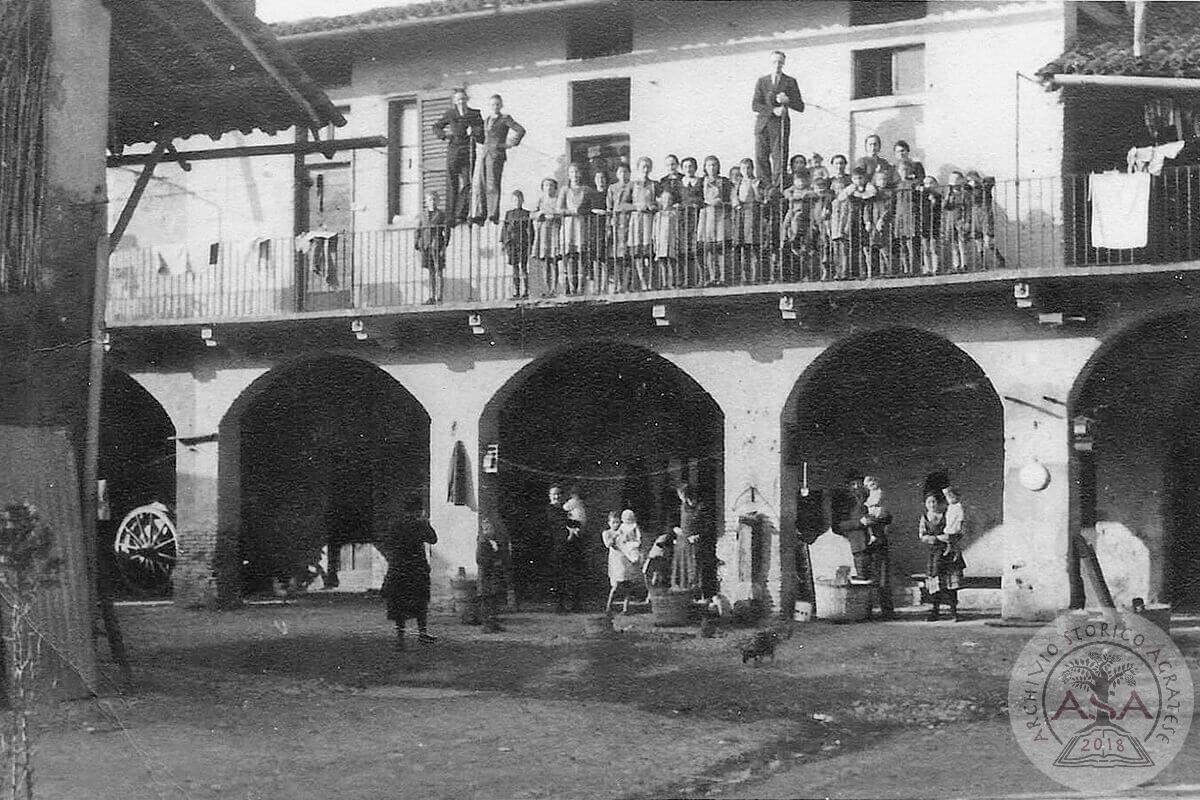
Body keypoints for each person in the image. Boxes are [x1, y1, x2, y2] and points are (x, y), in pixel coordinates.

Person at [380, 501, 438, 650]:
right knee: (420, 601)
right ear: (418, 511)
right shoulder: (420, 524)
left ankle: (401, 639)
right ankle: (422, 633)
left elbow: (388, 543)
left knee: (399, 603)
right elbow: (433, 539)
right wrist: (426, 523)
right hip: (416, 568)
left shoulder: (396, 524)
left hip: (399, 568)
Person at [751, 50, 806, 189]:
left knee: (779, 159)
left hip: (779, 126)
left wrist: (788, 100)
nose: (777, 65)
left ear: (784, 63)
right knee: (761, 158)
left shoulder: (790, 81)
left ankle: (776, 189)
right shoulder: (762, 81)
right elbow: (755, 105)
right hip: (763, 125)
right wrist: (773, 110)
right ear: (770, 63)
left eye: (780, 62)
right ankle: (765, 189)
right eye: (775, 62)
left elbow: (800, 106)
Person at [432, 88, 484, 225]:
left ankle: (461, 213)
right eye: (458, 100)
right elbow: (436, 127)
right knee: (452, 183)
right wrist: (444, 135)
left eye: (463, 99)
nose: (461, 102)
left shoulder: (475, 114)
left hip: (468, 150)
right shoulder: (450, 114)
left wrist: (475, 131)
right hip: (454, 150)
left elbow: (482, 133)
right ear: (455, 101)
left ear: (467, 99)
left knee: (468, 183)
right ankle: (450, 217)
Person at [475, 94, 526, 225]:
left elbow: (520, 130)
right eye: (492, 104)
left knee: (492, 183)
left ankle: (493, 213)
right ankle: (482, 213)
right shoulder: (487, 120)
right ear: (489, 106)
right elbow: (484, 138)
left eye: (497, 104)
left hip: (496, 154)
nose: (495, 107)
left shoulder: (505, 119)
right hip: (485, 154)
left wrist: (508, 144)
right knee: (481, 184)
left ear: (501, 105)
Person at [918, 492, 963, 621]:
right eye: (929, 502)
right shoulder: (925, 518)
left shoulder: (947, 515)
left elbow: (957, 532)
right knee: (935, 583)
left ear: (939, 503)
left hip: (948, 553)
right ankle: (935, 611)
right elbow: (922, 535)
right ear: (925, 504)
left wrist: (949, 539)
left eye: (934, 502)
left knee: (950, 583)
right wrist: (936, 538)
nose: (932, 505)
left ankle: (953, 611)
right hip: (934, 553)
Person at [558, 163, 594, 295]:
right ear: (569, 174)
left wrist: (582, 211)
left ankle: (581, 286)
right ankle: (570, 286)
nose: (575, 175)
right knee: (570, 255)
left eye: (577, 172)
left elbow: (591, 207)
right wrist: (571, 211)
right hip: (569, 224)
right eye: (572, 172)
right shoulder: (565, 190)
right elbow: (559, 208)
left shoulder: (586, 190)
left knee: (581, 255)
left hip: (581, 224)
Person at [546, 484, 583, 612]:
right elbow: (559, 523)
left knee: (571, 575)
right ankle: (559, 604)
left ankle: (573, 604)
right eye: (554, 494)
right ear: (550, 496)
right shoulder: (550, 509)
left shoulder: (563, 510)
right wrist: (571, 528)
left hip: (568, 547)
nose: (556, 496)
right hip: (556, 546)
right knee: (558, 576)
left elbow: (572, 522)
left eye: (558, 494)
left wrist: (576, 525)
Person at [698, 155, 732, 286]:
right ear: (705, 167)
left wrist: (723, 202)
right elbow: (695, 197)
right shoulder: (701, 181)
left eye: (714, 165)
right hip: (706, 215)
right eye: (709, 165)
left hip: (720, 214)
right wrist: (704, 202)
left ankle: (723, 277)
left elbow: (731, 197)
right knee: (709, 248)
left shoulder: (724, 181)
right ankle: (712, 277)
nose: (712, 168)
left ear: (718, 167)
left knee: (721, 247)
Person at [627, 156, 659, 292]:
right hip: (636, 220)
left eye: (647, 167)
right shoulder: (632, 185)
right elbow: (622, 204)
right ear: (638, 168)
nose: (645, 170)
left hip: (649, 220)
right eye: (643, 167)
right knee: (638, 252)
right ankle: (643, 281)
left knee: (649, 252)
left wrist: (654, 206)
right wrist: (636, 207)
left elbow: (661, 202)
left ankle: (651, 282)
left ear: (650, 168)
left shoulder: (654, 184)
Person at [603, 510, 643, 613]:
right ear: (609, 523)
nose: (616, 525)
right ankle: (609, 606)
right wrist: (617, 534)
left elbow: (631, 541)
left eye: (618, 522)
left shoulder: (624, 530)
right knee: (616, 585)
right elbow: (609, 544)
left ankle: (626, 608)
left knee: (628, 584)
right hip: (616, 560)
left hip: (626, 558)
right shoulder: (607, 533)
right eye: (613, 522)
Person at [732, 157, 764, 284]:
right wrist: (737, 204)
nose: (746, 171)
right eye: (743, 168)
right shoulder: (738, 183)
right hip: (741, 214)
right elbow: (734, 197)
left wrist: (755, 188)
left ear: (752, 169)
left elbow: (761, 199)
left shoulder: (756, 181)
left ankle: (756, 276)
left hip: (753, 213)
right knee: (743, 247)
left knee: (754, 246)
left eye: (749, 168)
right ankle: (745, 277)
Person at [415, 191, 449, 304]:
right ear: (426, 201)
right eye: (430, 199)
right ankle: (431, 296)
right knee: (430, 272)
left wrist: (444, 246)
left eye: (434, 199)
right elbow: (418, 229)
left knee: (439, 271)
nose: (432, 202)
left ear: (437, 201)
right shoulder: (422, 215)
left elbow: (447, 230)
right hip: (426, 245)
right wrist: (417, 243)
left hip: (437, 245)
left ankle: (439, 297)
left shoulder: (441, 214)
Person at [477, 517, 510, 632]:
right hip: (486, 575)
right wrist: (493, 562)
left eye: (490, 528)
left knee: (494, 599)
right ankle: (487, 624)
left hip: (494, 575)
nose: (488, 531)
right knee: (487, 599)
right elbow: (480, 559)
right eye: (485, 529)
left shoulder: (495, 541)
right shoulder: (482, 542)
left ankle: (494, 622)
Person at [501, 189, 534, 299]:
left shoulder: (526, 213)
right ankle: (516, 290)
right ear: (512, 201)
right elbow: (505, 229)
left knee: (524, 267)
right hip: (512, 242)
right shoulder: (508, 214)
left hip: (522, 242)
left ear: (522, 200)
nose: (517, 202)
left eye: (519, 200)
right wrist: (503, 242)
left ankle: (526, 290)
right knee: (515, 267)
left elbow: (531, 230)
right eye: (514, 200)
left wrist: (531, 243)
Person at [532, 177, 562, 296]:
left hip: (554, 231)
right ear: (543, 188)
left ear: (555, 188)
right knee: (545, 262)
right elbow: (532, 214)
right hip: (543, 233)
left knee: (554, 261)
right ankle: (546, 288)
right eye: (546, 185)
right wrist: (538, 214)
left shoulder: (557, 200)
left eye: (551, 185)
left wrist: (553, 215)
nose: (548, 188)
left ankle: (554, 289)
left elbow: (561, 212)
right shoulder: (540, 200)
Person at [672, 483, 703, 593]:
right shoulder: (681, 507)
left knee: (694, 567)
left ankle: (696, 592)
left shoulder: (700, 508)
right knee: (682, 566)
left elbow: (706, 526)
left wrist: (698, 535)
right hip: (682, 540)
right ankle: (683, 590)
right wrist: (675, 528)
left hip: (694, 541)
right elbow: (673, 522)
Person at [607, 163, 632, 293]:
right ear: (617, 174)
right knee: (616, 254)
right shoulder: (612, 188)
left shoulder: (633, 186)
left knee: (627, 253)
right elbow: (609, 206)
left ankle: (627, 284)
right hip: (616, 222)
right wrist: (610, 222)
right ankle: (616, 284)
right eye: (620, 172)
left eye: (626, 172)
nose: (623, 174)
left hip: (629, 221)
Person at [653, 185, 680, 289]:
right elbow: (655, 231)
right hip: (661, 242)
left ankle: (672, 282)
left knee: (671, 262)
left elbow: (676, 228)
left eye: (669, 199)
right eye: (665, 199)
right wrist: (655, 242)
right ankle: (664, 283)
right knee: (662, 262)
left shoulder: (673, 214)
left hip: (671, 240)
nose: (667, 201)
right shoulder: (658, 215)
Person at [916, 175, 943, 275]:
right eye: (926, 183)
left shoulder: (938, 196)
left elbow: (938, 209)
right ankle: (928, 268)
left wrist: (933, 201)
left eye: (930, 183)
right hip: (924, 223)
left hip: (934, 223)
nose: (928, 186)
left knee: (934, 247)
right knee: (926, 248)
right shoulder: (921, 197)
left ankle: (936, 268)